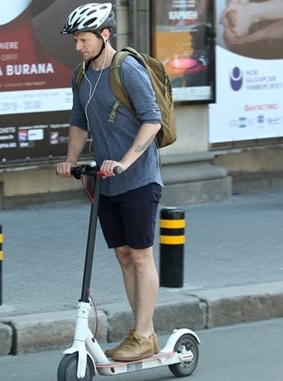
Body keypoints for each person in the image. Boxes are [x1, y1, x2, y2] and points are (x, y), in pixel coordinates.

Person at [56, 3, 163, 362]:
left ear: (104, 36)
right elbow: (77, 120)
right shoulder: (82, 75)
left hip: (139, 178)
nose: (78, 47)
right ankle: (141, 331)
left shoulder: (127, 69)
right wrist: (71, 161)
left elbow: (153, 120)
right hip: (108, 182)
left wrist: (125, 161)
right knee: (123, 256)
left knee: (141, 255)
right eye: (75, 40)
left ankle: (144, 333)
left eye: (83, 39)